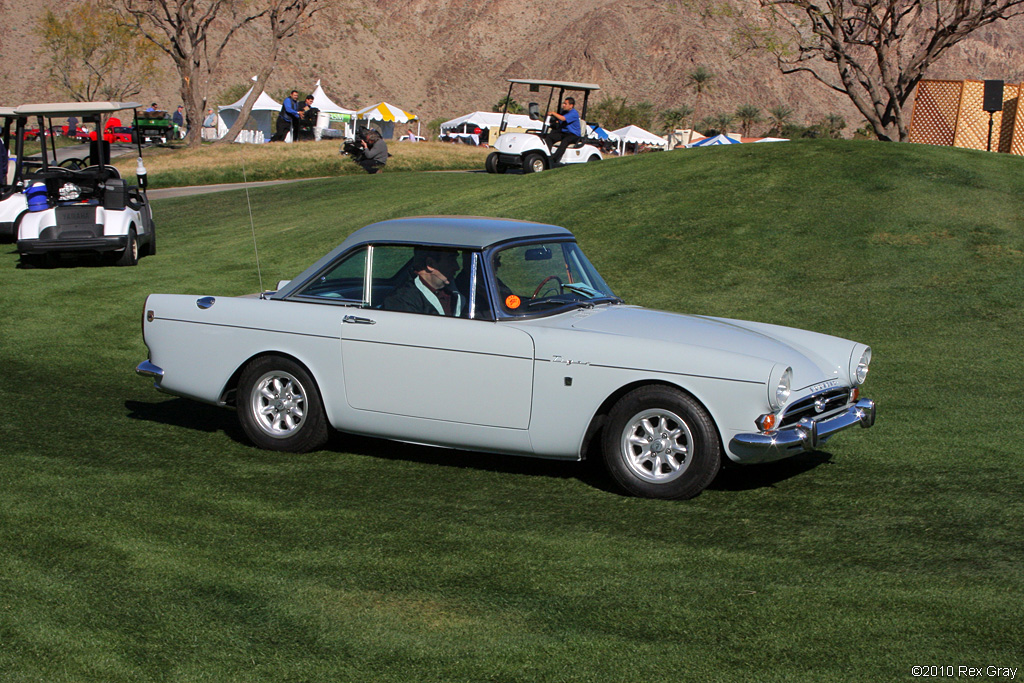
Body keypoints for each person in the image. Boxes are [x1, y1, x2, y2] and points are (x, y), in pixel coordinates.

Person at [383, 249, 463, 316]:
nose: (457, 267)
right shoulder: (401, 301)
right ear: (430, 264)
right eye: (451, 260)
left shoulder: (459, 290)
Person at [545, 96, 581, 165]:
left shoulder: (573, 113)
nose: (563, 105)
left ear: (571, 105)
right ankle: (547, 155)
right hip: (565, 132)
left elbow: (562, 119)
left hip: (574, 135)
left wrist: (553, 113)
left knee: (565, 140)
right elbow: (559, 120)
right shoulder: (564, 112)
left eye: (565, 104)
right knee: (550, 137)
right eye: (563, 103)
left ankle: (554, 159)